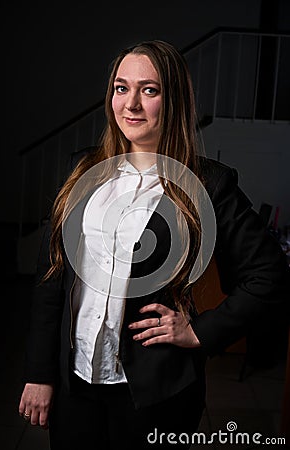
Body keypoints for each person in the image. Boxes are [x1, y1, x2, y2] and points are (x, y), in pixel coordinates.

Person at [18, 39, 290, 449]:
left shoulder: (208, 184)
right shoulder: (83, 171)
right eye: (121, 88)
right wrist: (40, 372)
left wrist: (200, 332)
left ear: (174, 100)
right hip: (75, 388)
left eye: (149, 90)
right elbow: (50, 278)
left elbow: (269, 275)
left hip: (154, 394)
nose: (131, 104)